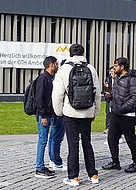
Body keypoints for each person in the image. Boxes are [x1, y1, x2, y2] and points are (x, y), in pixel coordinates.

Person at [52, 44, 101, 186]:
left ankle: (73, 177)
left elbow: (58, 94)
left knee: (73, 144)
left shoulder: (64, 69)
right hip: (87, 111)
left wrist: (59, 111)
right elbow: (97, 93)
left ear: (70, 53)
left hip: (70, 112)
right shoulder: (91, 68)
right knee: (87, 143)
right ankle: (93, 175)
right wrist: (95, 111)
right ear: (83, 53)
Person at [102, 57, 136, 173]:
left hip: (127, 115)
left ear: (122, 67)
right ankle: (115, 162)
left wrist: (122, 108)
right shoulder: (117, 78)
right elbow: (118, 95)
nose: (113, 68)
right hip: (115, 114)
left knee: (131, 139)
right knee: (111, 138)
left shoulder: (132, 80)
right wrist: (110, 96)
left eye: (115, 66)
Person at [34, 56, 65, 179]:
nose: (57, 66)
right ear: (51, 65)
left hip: (49, 114)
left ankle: (42, 166)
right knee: (42, 141)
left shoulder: (50, 78)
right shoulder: (43, 79)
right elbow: (39, 99)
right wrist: (43, 116)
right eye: (56, 64)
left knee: (45, 140)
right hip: (44, 116)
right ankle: (39, 168)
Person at [103, 66, 116, 134]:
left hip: (116, 99)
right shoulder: (108, 79)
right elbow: (105, 88)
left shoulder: (118, 79)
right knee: (108, 113)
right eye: (111, 71)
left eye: (113, 71)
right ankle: (108, 128)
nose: (111, 73)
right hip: (109, 98)